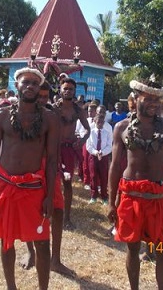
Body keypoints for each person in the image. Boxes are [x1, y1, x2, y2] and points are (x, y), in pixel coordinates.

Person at [0, 67, 59, 290]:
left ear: (40, 88)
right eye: (26, 82)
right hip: (4, 186)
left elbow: (52, 161)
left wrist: (50, 196)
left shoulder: (50, 119)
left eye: (35, 83)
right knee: (6, 241)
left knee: (42, 243)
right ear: (17, 85)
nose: (30, 86)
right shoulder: (1, 115)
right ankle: (11, 287)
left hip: (34, 189)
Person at [108, 76, 163, 290]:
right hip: (130, 195)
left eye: (157, 101)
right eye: (148, 99)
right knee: (132, 247)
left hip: (158, 195)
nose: (154, 104)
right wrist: (112, 202)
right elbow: (114, 167)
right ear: (135, 98)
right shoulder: (121, 127)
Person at [20, 80, 74, 276]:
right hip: (30, 171)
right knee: (29, 213)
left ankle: (55, 260)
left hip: (51, 170)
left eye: (45, 96)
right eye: (39, 95)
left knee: (57, 211)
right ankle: (30, 252)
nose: (41, 99)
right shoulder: (21, 115)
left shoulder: (53, 116)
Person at [53, 77, 90, 230]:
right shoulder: (53, 108)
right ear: (60, 90)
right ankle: (49, 213)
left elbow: (88, 129)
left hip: (68, 151)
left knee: (67, 184)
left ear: (74, 92)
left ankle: (66, 218)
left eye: (71, 89)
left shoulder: (78, 110)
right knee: (50, 181)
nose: (68, 91)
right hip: (54, 150)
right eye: (65, 88)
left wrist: (82, 141)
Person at [86, 114, 113, 204]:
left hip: (103, 157)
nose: (100, 124)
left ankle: (104, 196)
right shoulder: (91, 132)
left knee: (103, 176)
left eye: (102, 122)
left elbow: (109, 146)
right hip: (93, 157)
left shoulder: (107, 133)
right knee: (93, 176)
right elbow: (88, 146)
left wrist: (102, 152)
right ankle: (93, 196)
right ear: (94, 122)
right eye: (98, 122)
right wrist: (96, 152)